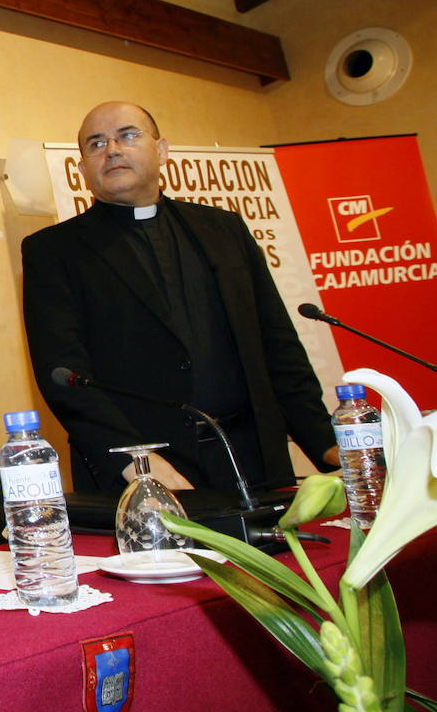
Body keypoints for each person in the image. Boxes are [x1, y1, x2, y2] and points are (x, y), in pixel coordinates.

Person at [21, 100, 338, 492]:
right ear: (83, 168)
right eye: (96, 144)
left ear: (162, 150)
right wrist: (129, 456)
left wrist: (326, 442)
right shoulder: (54, 251)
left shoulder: (224, 231)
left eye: (128, 135)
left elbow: (277, 346)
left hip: (252, 460)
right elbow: (63, 376)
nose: (113, 149)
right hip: (146, 472)